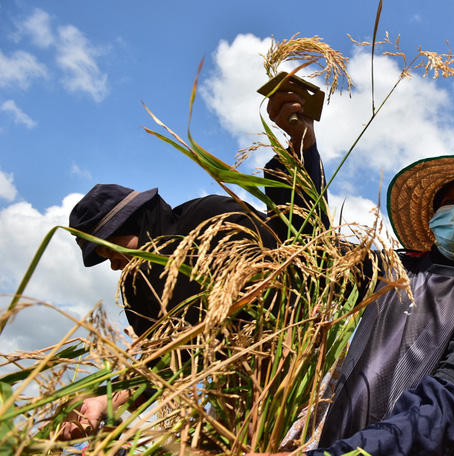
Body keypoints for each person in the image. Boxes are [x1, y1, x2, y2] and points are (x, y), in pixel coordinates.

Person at [57, 90, 328, 441]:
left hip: (311, 368)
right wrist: (105, 401)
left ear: (137, 222)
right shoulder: (142, 294)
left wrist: (301, 146)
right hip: (249, 400)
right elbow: (166, 367)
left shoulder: (210, 218)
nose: (114, 267)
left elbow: (304, 248)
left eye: (110, 251)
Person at [254, 155, 454, 455]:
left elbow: (437, 415)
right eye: (448, 201)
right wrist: (301, 147)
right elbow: (312, 253)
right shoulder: (388, 268)